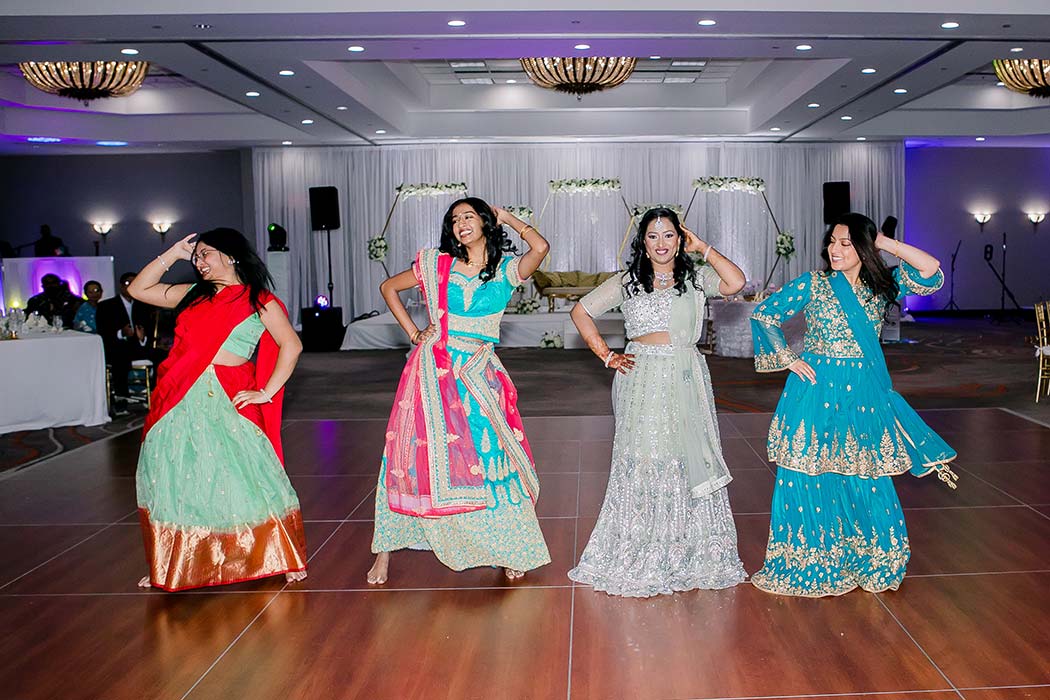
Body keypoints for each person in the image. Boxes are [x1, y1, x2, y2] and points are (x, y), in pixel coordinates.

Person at [749, 212, 957, 597]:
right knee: (809, 471)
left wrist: (885, 243)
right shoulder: (813, 284)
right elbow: (765, 315)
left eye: (846, 243)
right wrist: (788, 358)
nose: (835, 249)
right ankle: (813, 559)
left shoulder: (882, 285)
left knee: (866, 473)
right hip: (816, 390)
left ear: (863, 247)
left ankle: (871, 557)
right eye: (832, 241)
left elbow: (931, 270)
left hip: (863, 392)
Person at [366, 197, 551, 585]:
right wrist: (415, 333)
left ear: (485, 223)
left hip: (479, 375)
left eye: (469, 216)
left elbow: (541, 248)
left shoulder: (505, 270)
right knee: (409, 459)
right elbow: (388, 287)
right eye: (454, 219)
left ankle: (509, 547)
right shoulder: (438, 265)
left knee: (490, 457)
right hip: (432, 375)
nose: (460, 223)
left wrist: (508, 218)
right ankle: (384, 552)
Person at [567, 208, 748, 596]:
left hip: (685, 375)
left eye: (669, 235)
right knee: (646, 456)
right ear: (643, 242)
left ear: (680, 240)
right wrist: (606, 354)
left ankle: (688, 546)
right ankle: (641, 543)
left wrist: (706, 248)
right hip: (641, 377)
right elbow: (580, 311)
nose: (661, 243)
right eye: (653, 236)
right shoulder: (628, 282)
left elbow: (736, 282)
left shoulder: (696, 278)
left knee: (685, 456)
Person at [127, 228, 308, 591]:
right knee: (178, 478)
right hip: (181, 396)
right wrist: (174, 253)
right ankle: (172, 559)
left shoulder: (259, 300)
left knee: (246, 479)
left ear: (231, 255)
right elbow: (138, 290)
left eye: (206, 254)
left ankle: (279, 553)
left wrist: (267, 392)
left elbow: (292, 345)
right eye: (197, 257)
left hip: (228, 397)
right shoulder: (192, 295)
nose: (199, 262)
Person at [97, 272, 156, 409]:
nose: (131, 287)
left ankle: (155, 393)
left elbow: (148, 329)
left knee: (163, 355)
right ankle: (121, 398)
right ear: (121, 286)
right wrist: (121, 333)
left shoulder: (144, 306)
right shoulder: (106, 306)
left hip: (138, 347)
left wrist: (143, 338)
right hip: (117, 347)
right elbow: (103, 331)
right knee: (120, 357)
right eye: (128, 283)